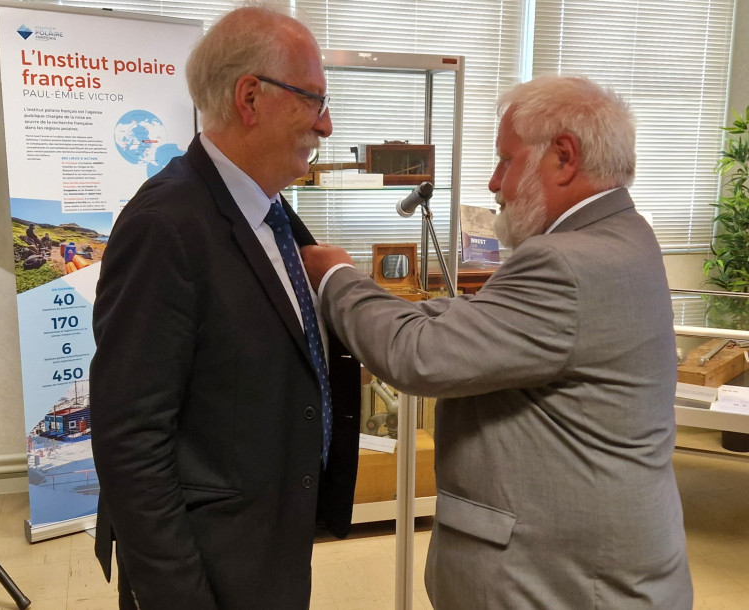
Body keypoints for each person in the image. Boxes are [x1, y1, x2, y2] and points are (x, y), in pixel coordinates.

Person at [302, 75, 693, 608]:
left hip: (561, 583)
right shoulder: (626, 234)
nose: (493, 182)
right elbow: (483, 321)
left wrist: (336, 277)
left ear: (563, 156)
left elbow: (420, 357)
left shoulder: (563, 263)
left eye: (505, 160)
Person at [89, 6, 360, 609]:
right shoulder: (166, 225)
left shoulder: (271, 213)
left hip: (269, 542)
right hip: (206, 562)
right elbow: (130, 440)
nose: (329, 125)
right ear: (250, 98)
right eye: (315, 101)